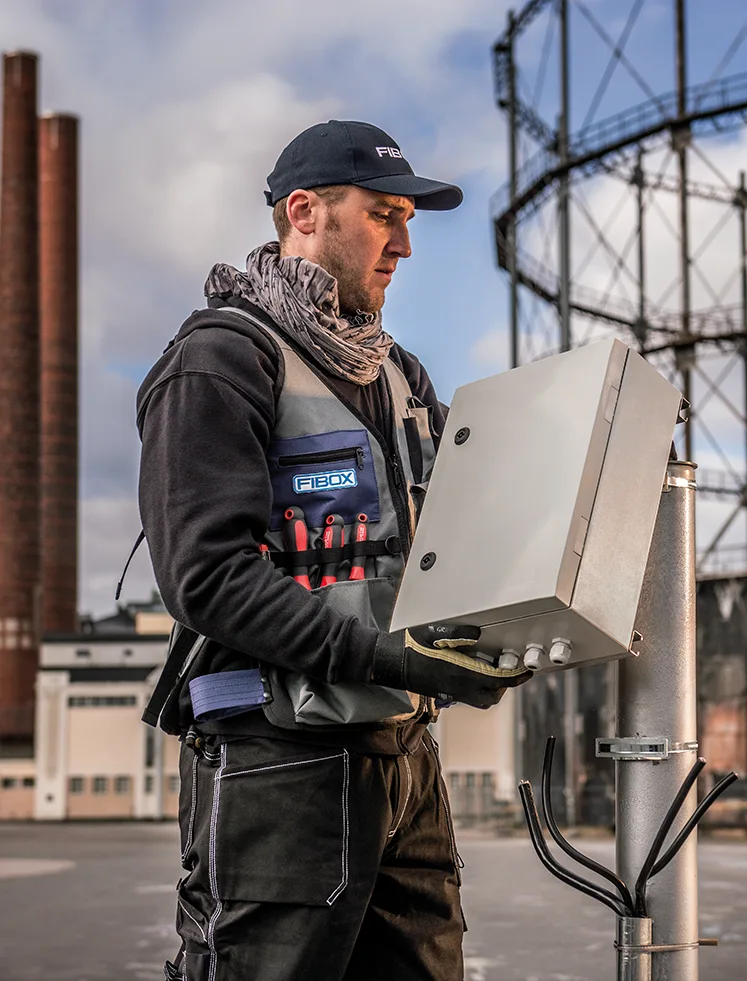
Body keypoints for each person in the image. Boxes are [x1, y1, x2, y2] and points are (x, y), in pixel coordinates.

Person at [137, 119, 532, 981]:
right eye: (386, 214)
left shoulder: (401, 375)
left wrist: (510, 622)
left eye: (410, 220)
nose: (405, 244)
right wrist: (389, 654)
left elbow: (446, 546)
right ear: (306, 211)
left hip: (404, 763)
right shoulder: (220, 362)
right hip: (276, 763)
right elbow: (207, 579)